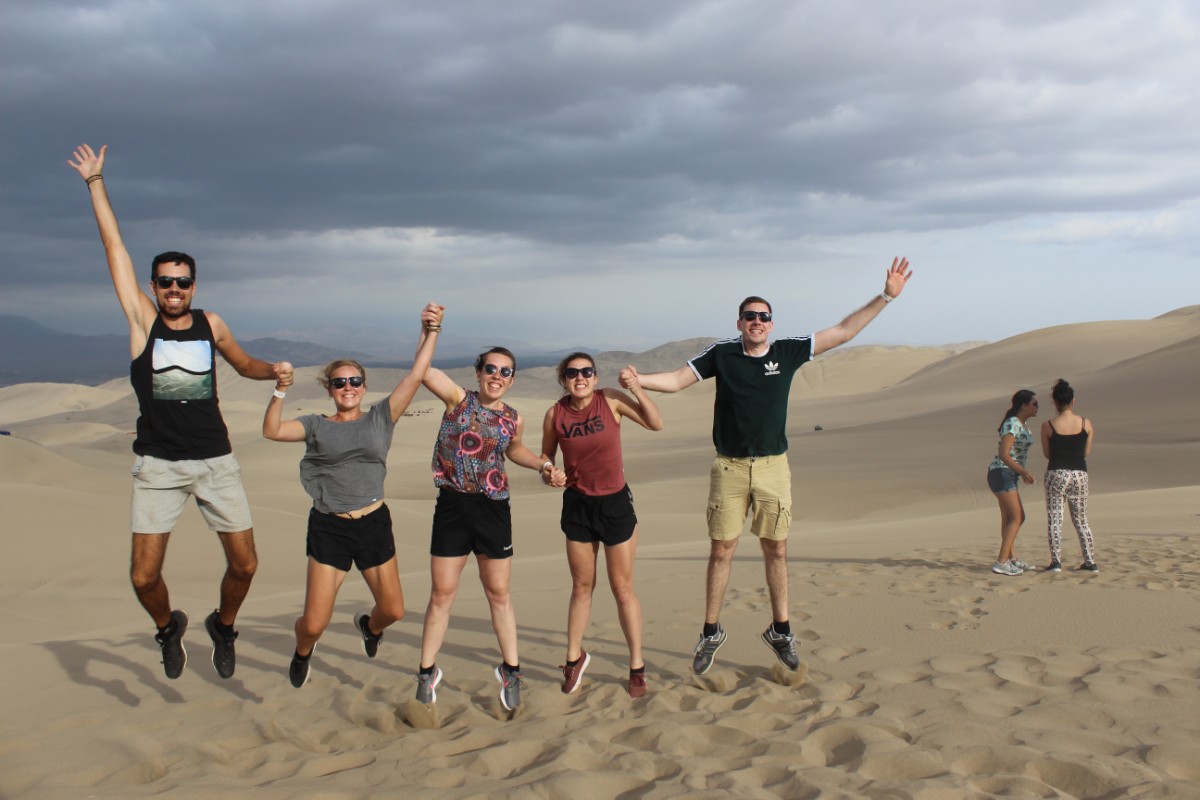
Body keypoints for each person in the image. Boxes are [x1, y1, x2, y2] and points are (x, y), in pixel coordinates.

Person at [67, 144, 293, 680]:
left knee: (246, 564)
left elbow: (243, 364)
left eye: (182, 281)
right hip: (159, 465)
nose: (173, 289)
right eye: (164, 281)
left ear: (194, 286)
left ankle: (225, 626)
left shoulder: (210, 323)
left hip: (215, 460)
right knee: (144, 578)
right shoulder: (142, 324)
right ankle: (169, 629)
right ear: (152, 287)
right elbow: (114, 248)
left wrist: (275, 373)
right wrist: (95, 182)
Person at [635, 258, 913, 675]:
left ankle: (780, 630)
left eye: (764, 317)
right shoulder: (723, 354)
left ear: (771, 323)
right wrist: (637, 380)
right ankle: (710, 631)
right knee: (721, 550)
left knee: (776, 549)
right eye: (751, 316)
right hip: (728, 468)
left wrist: (887, 296)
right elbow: (676, 380)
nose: (758, 322)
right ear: (740, 322)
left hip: (772, 468)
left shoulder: (788, 350)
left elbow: (843, 331)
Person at [263, 304, 444, 688]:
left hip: (374, 523)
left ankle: (369, 626)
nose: (348, 388)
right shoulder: (315, 425)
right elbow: (273, 431)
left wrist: (432, 330)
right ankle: (303, 650)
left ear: (364, 385)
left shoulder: (381, 417)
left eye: (355, 381)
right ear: (329, 388)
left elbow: (416, 374)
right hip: (330, 526)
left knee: (393, 610)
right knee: (313, 623)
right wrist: (280, 390)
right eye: (339, 382)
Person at [415, 348, 553, 712]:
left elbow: (515, 451)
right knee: (442, 594)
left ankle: (511, 670)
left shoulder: (514, 418)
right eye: (490, 368)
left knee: (498, 593)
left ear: (512, 378)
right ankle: (427, 673)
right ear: (477, 372)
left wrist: (542, 466)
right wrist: (431, 333)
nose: (497, 375)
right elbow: (423, 370)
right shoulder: (457, 400)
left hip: (492, 508)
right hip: (452, 505)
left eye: (505, 371)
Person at [538, 353, 664, 698]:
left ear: (595, 378)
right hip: (578, 506)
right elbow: (546, 455)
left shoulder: (609, 400)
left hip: (615, 505)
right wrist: (549, 471)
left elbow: (656, 423)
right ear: (563, 379)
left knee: (622, 588)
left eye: (586, 372)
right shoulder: (555, 414)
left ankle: (636, 666)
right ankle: (573, 658)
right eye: (572, 373)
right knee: (581, 586)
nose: (580, 378)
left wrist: (637, 388)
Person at [1040, 379, 1098, 573]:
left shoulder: (1047, 425)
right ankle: (1090, 561)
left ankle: (1056, 562)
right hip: (1080, 474)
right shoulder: (1086, 423)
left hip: (1056, 472)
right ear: (1073, 401)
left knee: (1055, 518)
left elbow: (1047, 454)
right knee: (1081, 520)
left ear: (1055, 403)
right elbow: (1086, 452)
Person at [987, 389, 1039, 576]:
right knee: (1018, 517)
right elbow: (1004, 454)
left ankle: (1011, 558)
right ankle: (1001, 561)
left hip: (1008, 474)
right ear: (1024, 405)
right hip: (1002, 472)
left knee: (1009, 518)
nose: (1037, 407)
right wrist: (1023, 471)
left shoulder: (1022, 425)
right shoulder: (1012, 424)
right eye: (1034, 404)